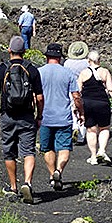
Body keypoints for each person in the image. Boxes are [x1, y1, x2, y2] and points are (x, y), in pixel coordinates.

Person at [0, 36, 44, 204]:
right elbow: (40, 97)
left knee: (9, 151)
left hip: (7, 116)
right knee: (28, 151)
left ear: (9, 51)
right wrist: (39, 116)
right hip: (27, 116)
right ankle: (27, 183)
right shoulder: (32, 70)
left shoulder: (0, 70)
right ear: (24, 51)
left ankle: (13, 187)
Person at [38, 43, 82, 191]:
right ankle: (59, 171)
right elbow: (76, 96)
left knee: (48, 148)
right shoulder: (67, 73)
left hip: (45, 117)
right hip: (63, 117)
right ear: (60, 57)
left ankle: (52, 176)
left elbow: (34, 96)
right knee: (64, 147)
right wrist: (80, 112)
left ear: (47, 57)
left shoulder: (39, 72)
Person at [77, 50, 112, 165]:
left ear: (88, 61)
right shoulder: (105, 72)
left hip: (88, 103)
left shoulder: (84, 73)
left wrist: (76, 106)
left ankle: (93, 157)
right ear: (99, 60)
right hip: (102, 103)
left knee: (91, 130)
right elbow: (111, 89)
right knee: (104, 128)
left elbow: (78, 91)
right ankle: (101, 150)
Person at [64, 41, 90, 144]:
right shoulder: (86, 63)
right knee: (82, 110)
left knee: (72, 109)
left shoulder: (67, 63)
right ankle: (81, 135)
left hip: (70, 88)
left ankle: (73, 127)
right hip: (84, 88)